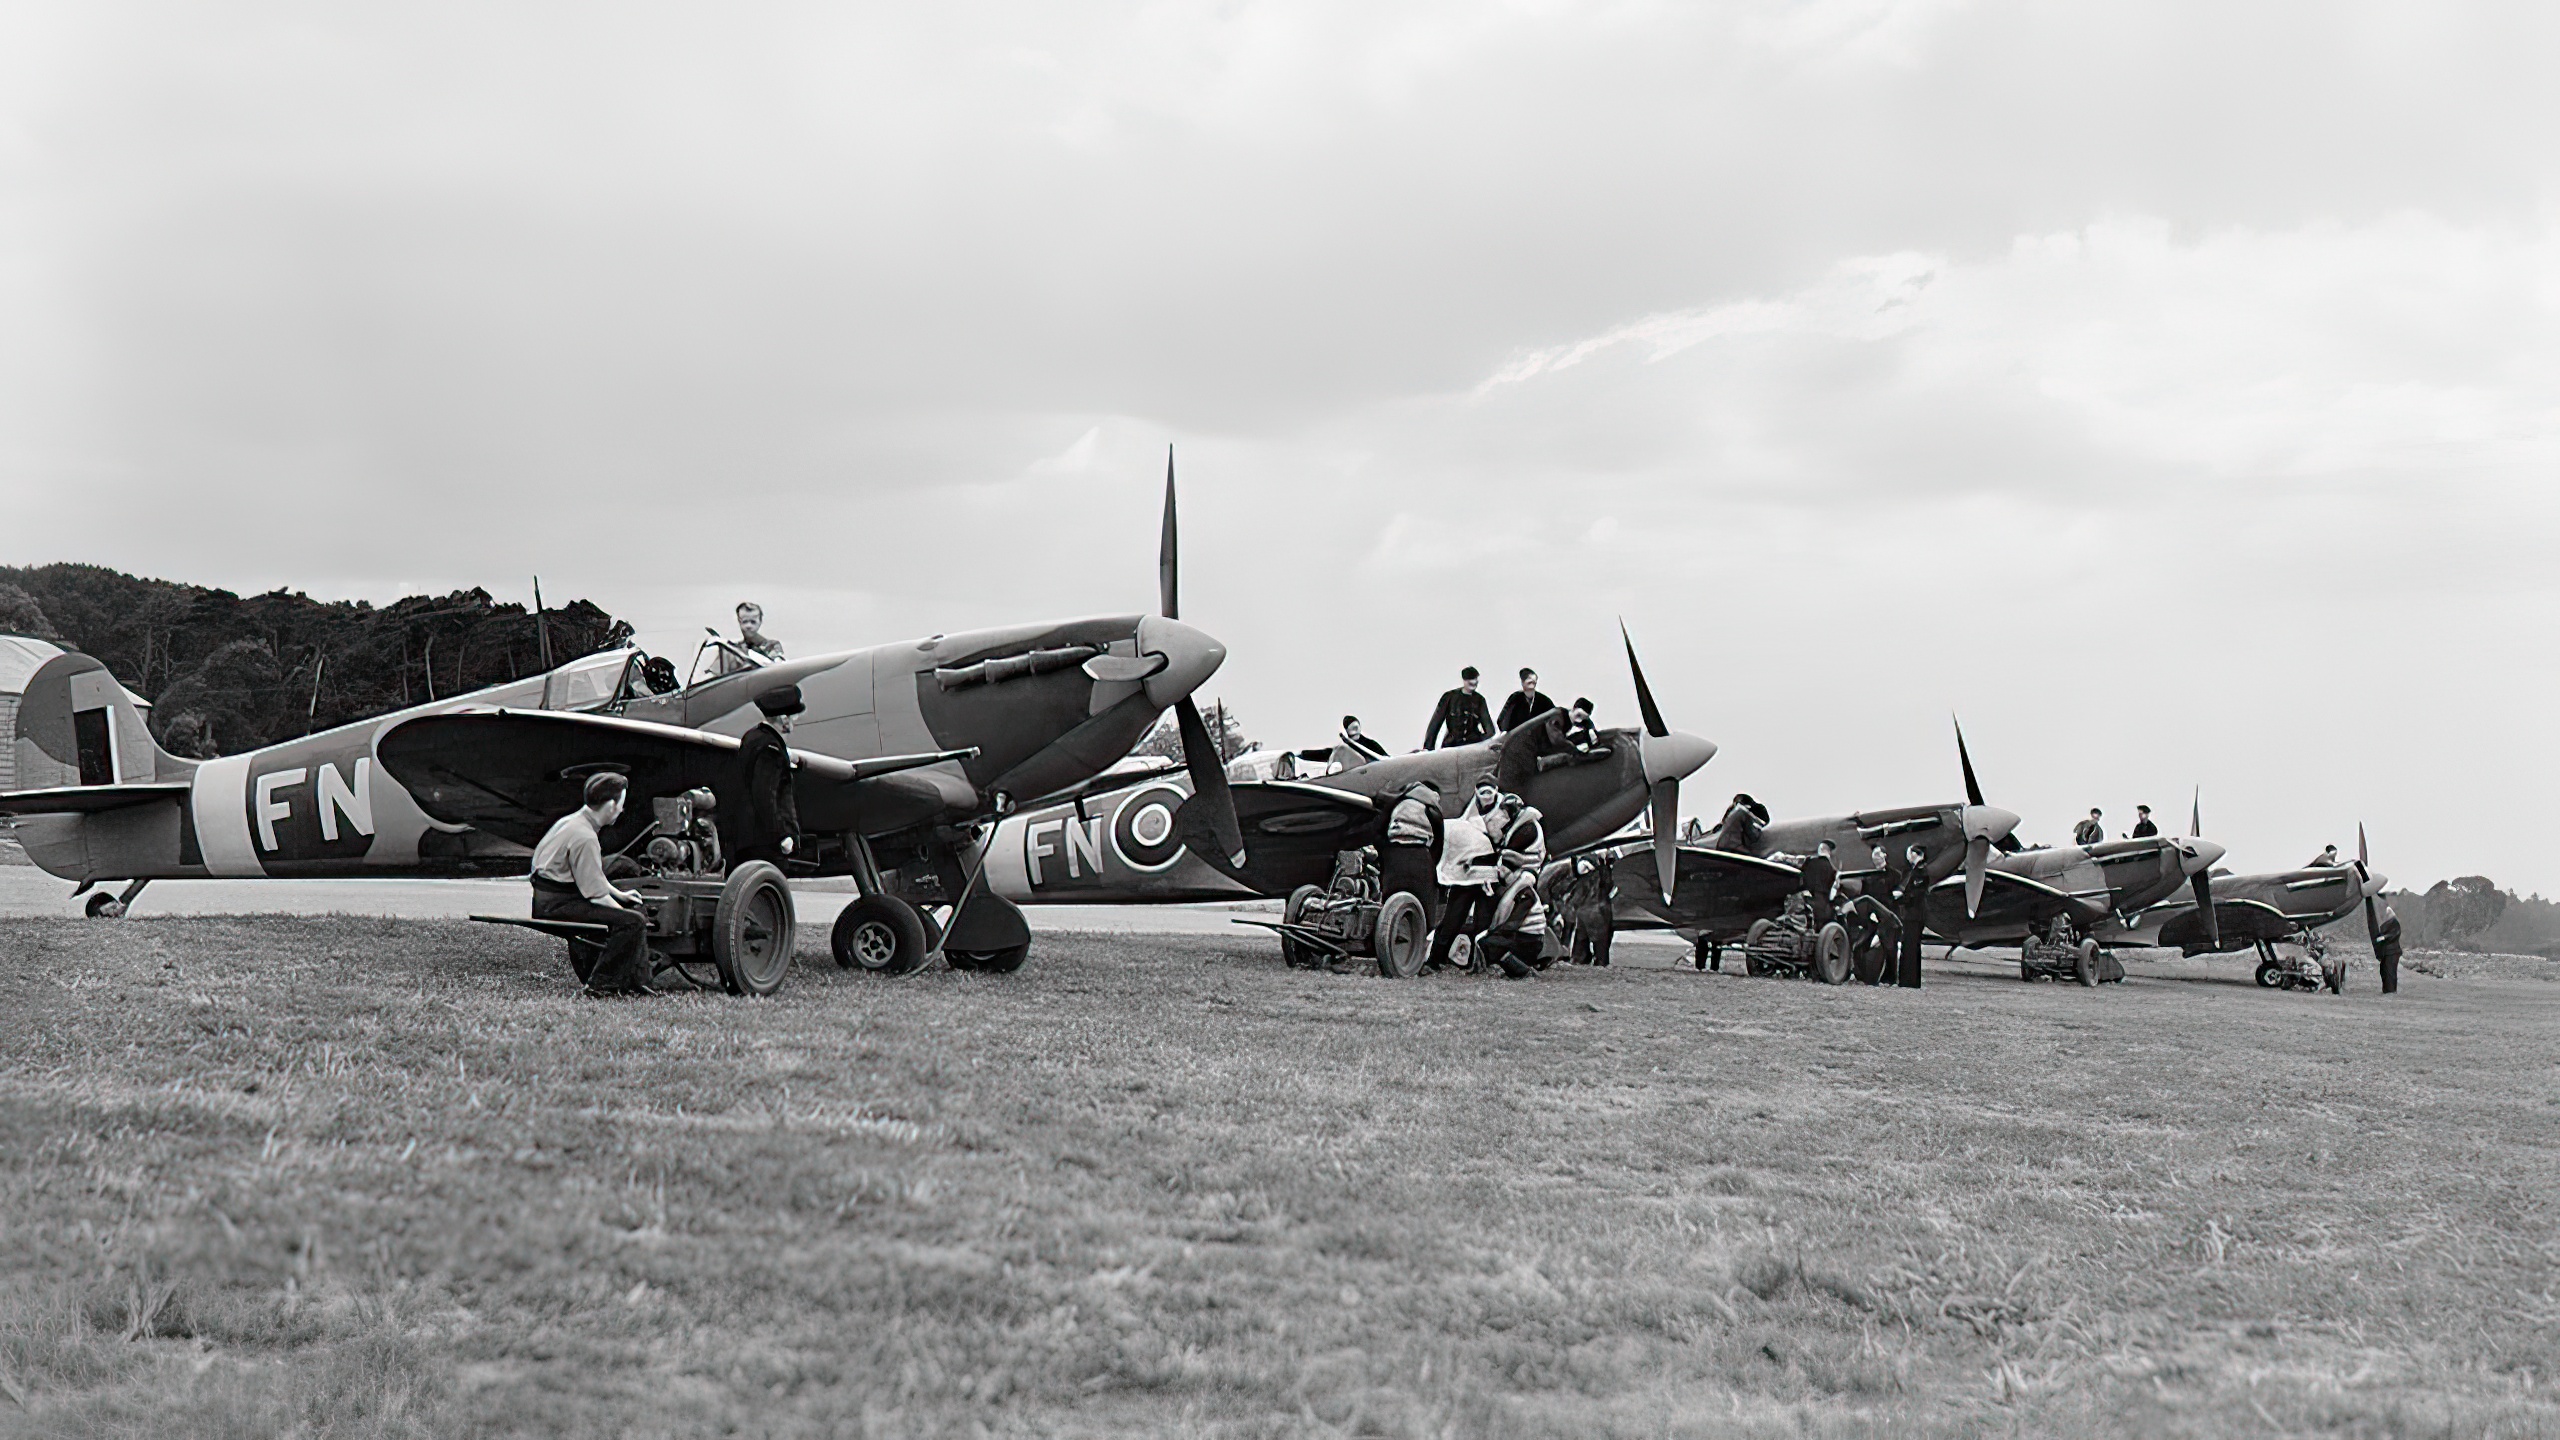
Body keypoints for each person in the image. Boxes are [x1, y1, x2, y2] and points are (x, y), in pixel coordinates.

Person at [530, 772, 656, 997]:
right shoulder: (585, 837)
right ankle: (601, 986)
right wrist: (625, 914)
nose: (621, 810)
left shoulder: (569, 822)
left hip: (546, 900)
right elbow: (596, 895)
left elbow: (591, 875)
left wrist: (620, 894)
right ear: (609, 805)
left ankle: (636, 982)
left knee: (628, 914)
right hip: (559, 906)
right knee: (632, 922)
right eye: (620, 805)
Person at [1429, 780, 1504, 970]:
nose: (1486, 796)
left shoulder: (1500, 809)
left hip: (1487, 873)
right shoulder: (1473, 809)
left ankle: (1481, 962)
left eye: (1489, 791)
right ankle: (1437, 958)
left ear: (1495, 791)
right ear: (1476, 792)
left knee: (1482, 920)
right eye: (1483, 791)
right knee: (1455, 916)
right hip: (1469, 872)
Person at [732, 688, 803, 868]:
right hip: (766, 842)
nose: (796, 721)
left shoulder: (753, 737)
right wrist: (781, 834)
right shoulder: (771, 748)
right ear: (783, 718)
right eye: (793, 716)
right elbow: (765, 794)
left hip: (747, 837)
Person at [1377, 780, 1443, 927]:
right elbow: (1439, 842)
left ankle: (1388, 935)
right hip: (1420, 856)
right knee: (1422, 904)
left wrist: (1386, 855)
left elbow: (1379, 830)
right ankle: (1419, 937)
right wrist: (1430, 862)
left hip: (1393, 856)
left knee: (1390, 902)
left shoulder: (1396, 804)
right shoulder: (1431, 809)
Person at [1423, 667, 1495, 750]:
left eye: (1475, 680)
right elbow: (1435, 724)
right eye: (1470, 680)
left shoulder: (1480, 700)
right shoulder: (1449, 697)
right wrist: (1428, 748)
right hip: (1452, 746)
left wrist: (1479, 742)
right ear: (1464, 680)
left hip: (1472, 747)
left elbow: (1489, 730)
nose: (1474, 683)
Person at [1891, 844, 1930, 988]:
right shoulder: (1918, 871)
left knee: (1910, 946)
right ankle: (1910, 980)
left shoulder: (1920, 872)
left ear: (1914, 854)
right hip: (1914, 914)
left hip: (1914, 915)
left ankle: (1909, 981)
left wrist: (1900, 898)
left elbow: (1915, 894)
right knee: (1911, 946)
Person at [1496, 668, 1557, 734]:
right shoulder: (1515, 698)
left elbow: (1556, 718)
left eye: (1534, 682)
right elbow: (1503, 723)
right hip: (1518, 740)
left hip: (1539, 741)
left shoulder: (1544, 701)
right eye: (1529, 683)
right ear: (1522, 683)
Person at [1801, 839, 1840, 927]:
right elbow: (1833, 892)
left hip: (1806, 898)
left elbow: (1800, 877)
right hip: (1823, 903)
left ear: (1820, 849)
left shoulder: (1808, 862)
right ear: (1829, 852)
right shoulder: (1833, 870)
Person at [2373, 905, 2404, 994]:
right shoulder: (2388, 923)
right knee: (2384, 970)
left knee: (2390, 971)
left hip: (2392, 951)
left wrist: (2384, 937)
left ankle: (2390, 990)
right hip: (2387, 952)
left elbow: (2395, 933)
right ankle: (2387, 989)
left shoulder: (2394, 922)